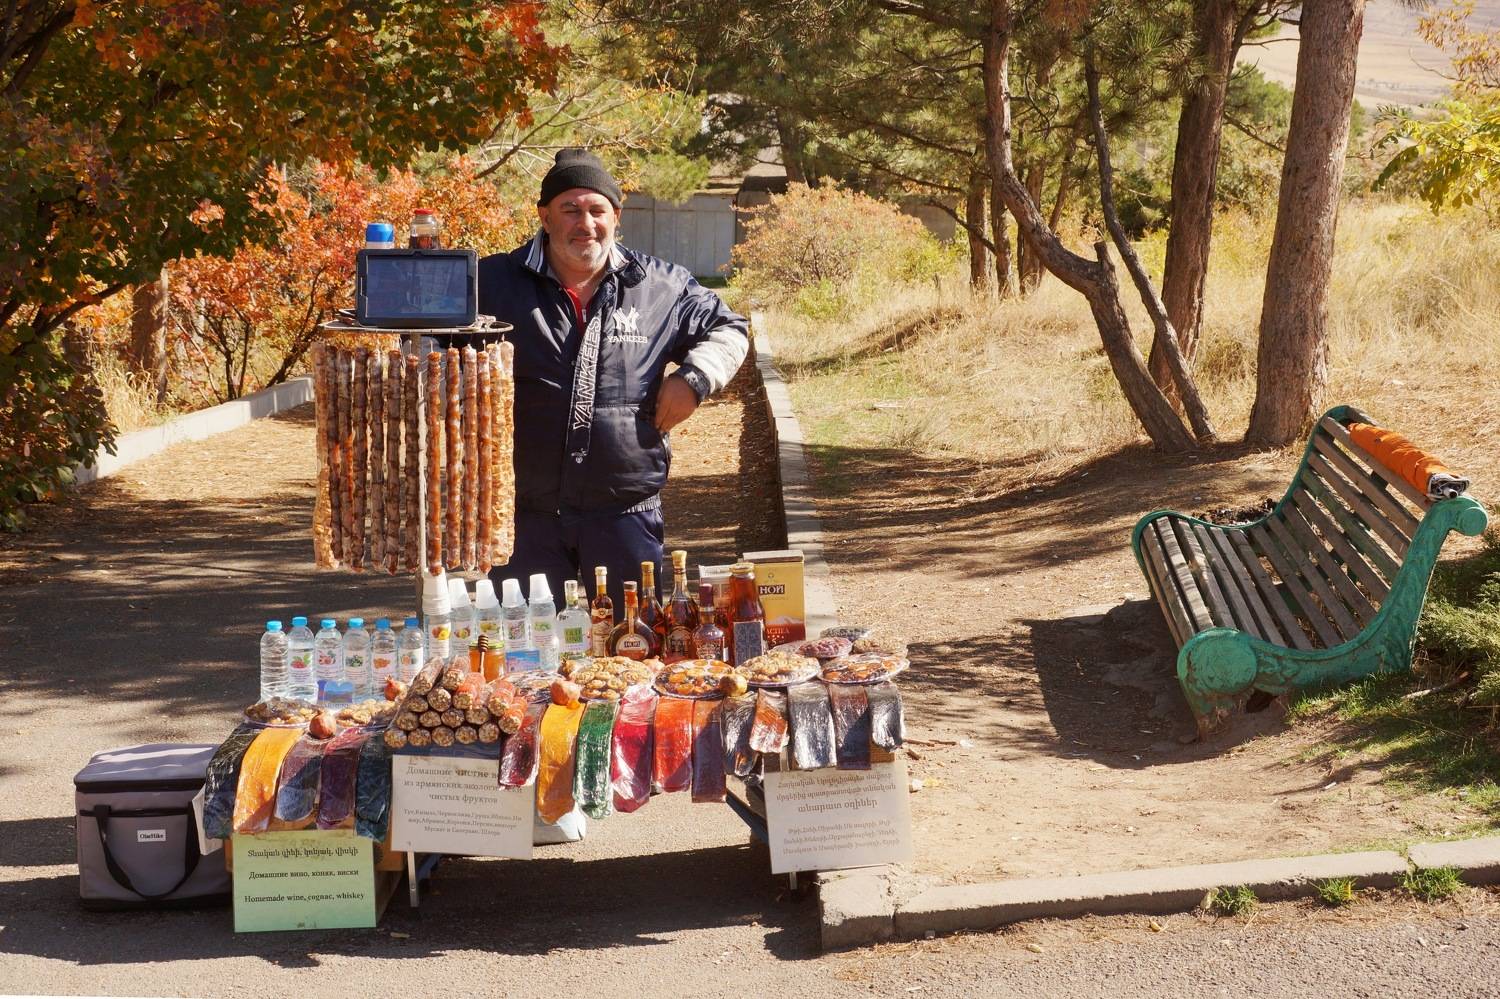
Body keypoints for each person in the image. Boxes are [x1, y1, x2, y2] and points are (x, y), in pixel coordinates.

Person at [476, 148, 749, 613]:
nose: (585, 223)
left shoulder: (661, 286)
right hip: (523, 514)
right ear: (545, 217)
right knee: (526, 646)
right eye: (570, 209)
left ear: (616, 217)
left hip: (625, 512)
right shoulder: (492, 282)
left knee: (632, 639)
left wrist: (694, 379)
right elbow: (432, 340)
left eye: (597, 210)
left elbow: (730, 328)